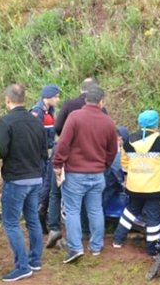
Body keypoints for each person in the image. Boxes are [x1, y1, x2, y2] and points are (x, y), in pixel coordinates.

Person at [53, 86, 117, 263]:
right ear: (101, 101)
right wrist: (104, 165)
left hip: (75, 173)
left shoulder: (75, 117)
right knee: (96, 210)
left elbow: (63, 144)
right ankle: (96, 246)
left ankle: (75, 247)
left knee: (73, 210)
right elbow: (113, 150)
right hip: (97, 173)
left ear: (85, 100)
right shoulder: (108, 122)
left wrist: (58, 164)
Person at [0, 84, 48, 282]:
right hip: (36, 177)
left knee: (10, 222)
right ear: (24, 99)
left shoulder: (6, 122)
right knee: (32, 218)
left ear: (7, 100)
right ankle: (35, 260)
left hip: (17, 179)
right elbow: (45, 151)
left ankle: (22, 266)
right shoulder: (37, 122)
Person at [45, 78, 100, 249]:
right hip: (90, 157)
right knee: (87, 199)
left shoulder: (69, 104)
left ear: (81, 89)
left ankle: (54, 228)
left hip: (66, 151)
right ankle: (85, 231)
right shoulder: (100, 108)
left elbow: (58, 127)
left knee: (56, 193)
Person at [113, 111, 160, 257]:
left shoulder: (129, 141)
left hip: (134, 187)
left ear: (140, 123)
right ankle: (152, 249)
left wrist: (128, 175)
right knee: (154, 218)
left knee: (130, 211)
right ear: (156, 124)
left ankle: (117, 240)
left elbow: (124, 163)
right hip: (155, 188)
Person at [30, 84, 61, 227]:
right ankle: (37, 214)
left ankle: (42, 212)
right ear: (47, 97)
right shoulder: (37, 112)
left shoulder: (50, 111)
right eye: (56, 96)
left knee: (46, 184)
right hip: (40, 155)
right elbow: (34, 136)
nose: (58, 99)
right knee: (42, 184)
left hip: (48, 154)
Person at [102, 126, 129, 208]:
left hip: (108, 179)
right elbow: (116, 167)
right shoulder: (117, 147)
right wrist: (122, 181)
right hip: (110, 180)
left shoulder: (109, 145)